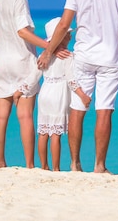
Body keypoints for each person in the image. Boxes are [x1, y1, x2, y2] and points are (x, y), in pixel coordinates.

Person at [37, 0, 118, 174]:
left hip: (83, 57)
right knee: (104, 111)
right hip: (111, 57)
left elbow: (64, 24)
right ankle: (99, 166)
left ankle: (74, 164)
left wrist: (49, 51)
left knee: (77, 110)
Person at [0, 0, 68, 168]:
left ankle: (0, 163)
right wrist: (50, 47)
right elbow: (22, 32)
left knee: (0, 116)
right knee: (25, 116)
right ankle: (30, 165)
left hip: (2, 64)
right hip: (22, 62)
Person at [37, 17, 91, 171]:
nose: (70, 36)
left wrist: (21, 89)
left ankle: (44, 166)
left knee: (43, 131)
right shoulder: (68, 56)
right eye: (67, 34)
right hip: (58, 96)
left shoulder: (43, 55)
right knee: (55, 134)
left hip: (45, 92)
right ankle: (56, 168)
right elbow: (71, 79)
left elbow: (34, 74)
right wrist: (83, 95)